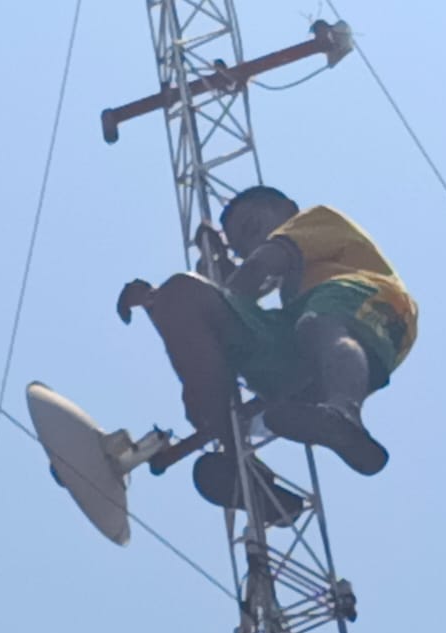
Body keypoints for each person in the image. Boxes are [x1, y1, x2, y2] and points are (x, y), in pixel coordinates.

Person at [118, 186, 418, 516]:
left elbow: (260, 268)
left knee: (317, 322)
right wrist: (163, 302)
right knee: (182, 294)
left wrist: (218, 283)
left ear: (287, 208)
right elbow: (226, 300)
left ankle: (344, 414)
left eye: (251, 226)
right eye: (241, 246)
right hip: (303, 348)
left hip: (371, 303)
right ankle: (246, 472)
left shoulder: (315, 220)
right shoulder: (294, 306)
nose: (250, 244)